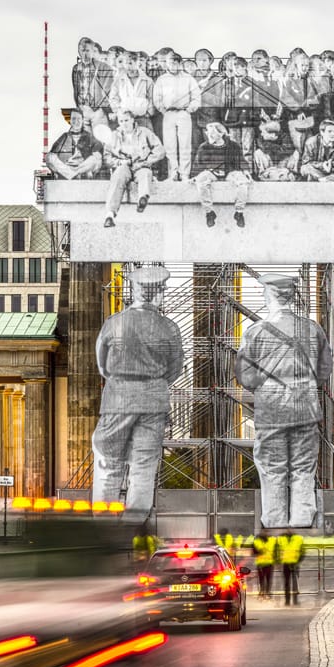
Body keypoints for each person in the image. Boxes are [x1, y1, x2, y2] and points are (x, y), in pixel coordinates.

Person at [236, 273, 333, 530]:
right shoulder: (313, 329)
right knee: (303, 465)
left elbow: (245, 375)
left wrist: (268, 385)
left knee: (271, 466)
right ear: (291, 296)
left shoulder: (255, 332)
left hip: (271, 409)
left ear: (270, 295)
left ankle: (275, 519)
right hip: (305, 405)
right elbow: (324, 370)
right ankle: (302, 518)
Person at [91, 265, 185, 516]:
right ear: (159, 292)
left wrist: (123, 380)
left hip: (118, 400)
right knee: (143, 468)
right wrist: (152, 383)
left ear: (135, 291)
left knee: (108, 464)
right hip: (153, 402)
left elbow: (102, 366)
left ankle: (103, 527)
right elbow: (175, 369)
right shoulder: (169, 328)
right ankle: (133, 528)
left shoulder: (114, 324)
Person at [103, 111, 163, 228]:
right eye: (121, 121)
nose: (124, 124)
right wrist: (119, 162)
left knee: (146, 173)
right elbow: (106, 157)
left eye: (126, 120)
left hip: (140, 165)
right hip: (124, 165)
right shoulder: (114, 135)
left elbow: (160, 150)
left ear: (132, 120)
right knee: (118, 175)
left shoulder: (144, 132)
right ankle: (110, 214)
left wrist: (146, 162)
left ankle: (142, 199)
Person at [152, 47, 201, 181]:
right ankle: (172, 173)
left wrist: (189, 109)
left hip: (184, 113)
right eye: (170, 63)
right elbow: (157, 98)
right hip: (168, 114)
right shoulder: (162, 79)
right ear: (167, 64)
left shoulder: (188, 78)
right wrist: (164, 110)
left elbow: (196, 97)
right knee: (170, 145)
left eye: (176, 63)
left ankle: (184, 174)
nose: (173, 65)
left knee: (185, 145)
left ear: (180, 64)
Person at [192, 119, 251, 228]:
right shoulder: (204, 147)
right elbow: (198, 164)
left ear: (221, 134)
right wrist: (195, 176)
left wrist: (246, 171)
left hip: (230, 172)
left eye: (212, 133)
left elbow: (241, 160)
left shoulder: (233, 146)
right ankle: (209, 213)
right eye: (208, 133)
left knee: (243, 182)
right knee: (201, 181)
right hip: (212, 173)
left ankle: (239, 212)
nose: (209, 135)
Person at [73, 37, 115, 142]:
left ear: (92, 51)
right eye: (82, 50)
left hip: (98, 112)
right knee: (85, 144)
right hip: (83, 110)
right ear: (79, 51)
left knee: (101, 142)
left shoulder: (104, 67)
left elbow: (108, 91)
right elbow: (76, 89)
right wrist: (80, 107)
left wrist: (102, 109)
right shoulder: (76, 68)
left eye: (88, 50)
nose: (85, 54)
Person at [46, 109, 104, 180]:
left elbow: (98, 151)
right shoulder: (64, 136)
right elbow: (53, 153)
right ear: (70, 121)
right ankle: (72, 174)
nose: (76, 121)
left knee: (96, 159)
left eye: (79, 119)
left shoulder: (89, 136)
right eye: (73, 119)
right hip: (67, 166)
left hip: (82, 166)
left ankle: (74, 174)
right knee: (49, 157)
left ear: (82, 120)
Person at [279, 529, 305, 605]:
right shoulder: (282, 538)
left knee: (295, 583)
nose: (289, 530)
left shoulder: (298, 538)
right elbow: (278, 550)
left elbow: (302, 551)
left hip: (295, 563)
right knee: (287, 583)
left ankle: (295, 600)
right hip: (286, 563)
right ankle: (287, 601)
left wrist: (298, 561)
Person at [251, 530, 277, 599]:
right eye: (265, 532)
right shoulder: (256, 541)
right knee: (261, 580)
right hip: (261, 563)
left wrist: (276, 560)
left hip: (269, 563)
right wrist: (259, 552)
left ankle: (268, 593)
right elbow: (253, 552)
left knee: (268, 579)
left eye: (267, 532)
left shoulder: (273, 540)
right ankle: (262, 593)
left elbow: (275, 551)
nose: (266, 533)